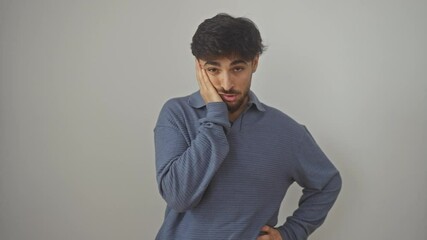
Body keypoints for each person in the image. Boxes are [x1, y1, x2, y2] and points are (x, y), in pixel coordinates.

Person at [154, 13, 342, 240]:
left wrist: (290, 233)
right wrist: (215, 117)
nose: (226, 84)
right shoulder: (177, 114)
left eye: (237, 69)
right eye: (213, 70)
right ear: (199, 67)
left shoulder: (285, 131)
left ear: (254, 62)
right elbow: (179, 197)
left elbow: (328, 182)